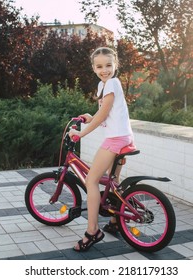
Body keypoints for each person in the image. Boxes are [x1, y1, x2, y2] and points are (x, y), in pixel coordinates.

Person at [69, 47, 134, 252]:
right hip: (123, 136)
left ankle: (92, 231)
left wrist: (81, 133)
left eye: (108, 65)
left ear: (115, 65)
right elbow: (106, 112)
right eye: (99, 66)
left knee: (91, 180)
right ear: (93, 67)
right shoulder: (103, 84)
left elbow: (104, 113)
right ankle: (116, 221)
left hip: (115, 140)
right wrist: (91, 117)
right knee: (112, 182)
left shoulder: (112, 82)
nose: (104, 69)